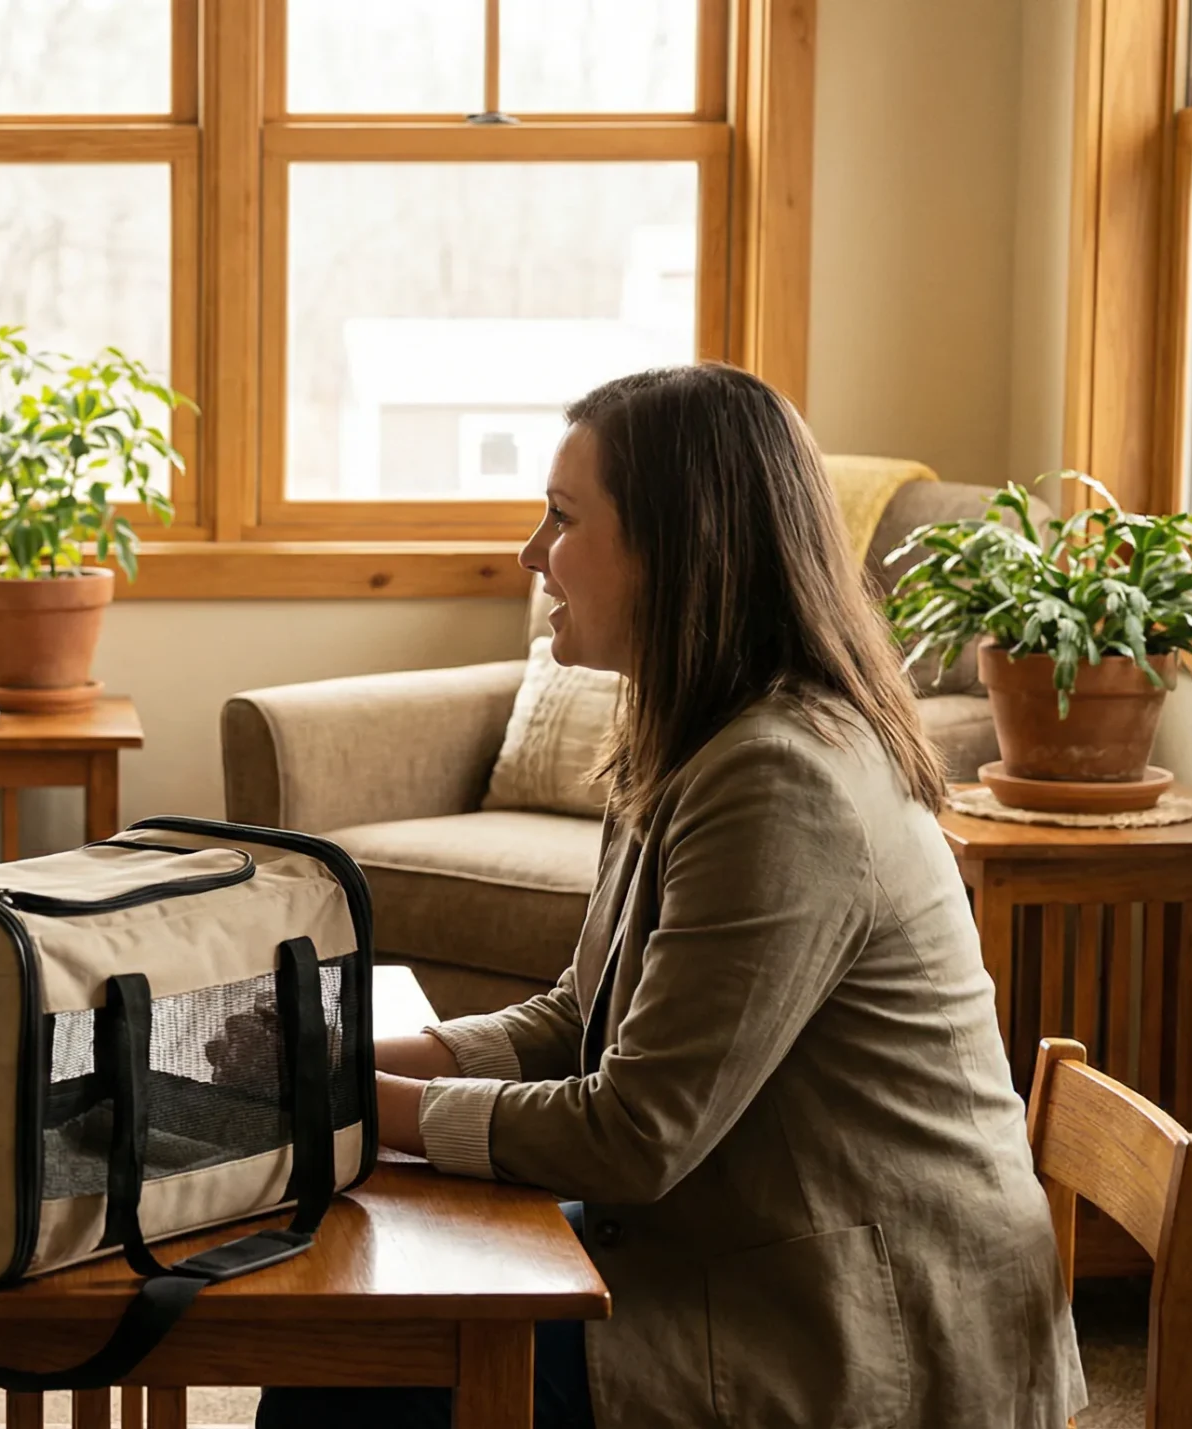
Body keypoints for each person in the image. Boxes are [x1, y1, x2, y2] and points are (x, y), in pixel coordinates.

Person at [262, 365, 1085, 1428]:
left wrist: (354, 1114)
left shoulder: (781, 777)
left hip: (849, 1322)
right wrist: (328, 1065)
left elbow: (632, 1135)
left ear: (678, 546)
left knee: (357, 1370)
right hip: (749, 1251)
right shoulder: (693, 733)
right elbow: (577, 1016)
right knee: (358, 1312)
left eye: (560, 519)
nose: (528, 555)